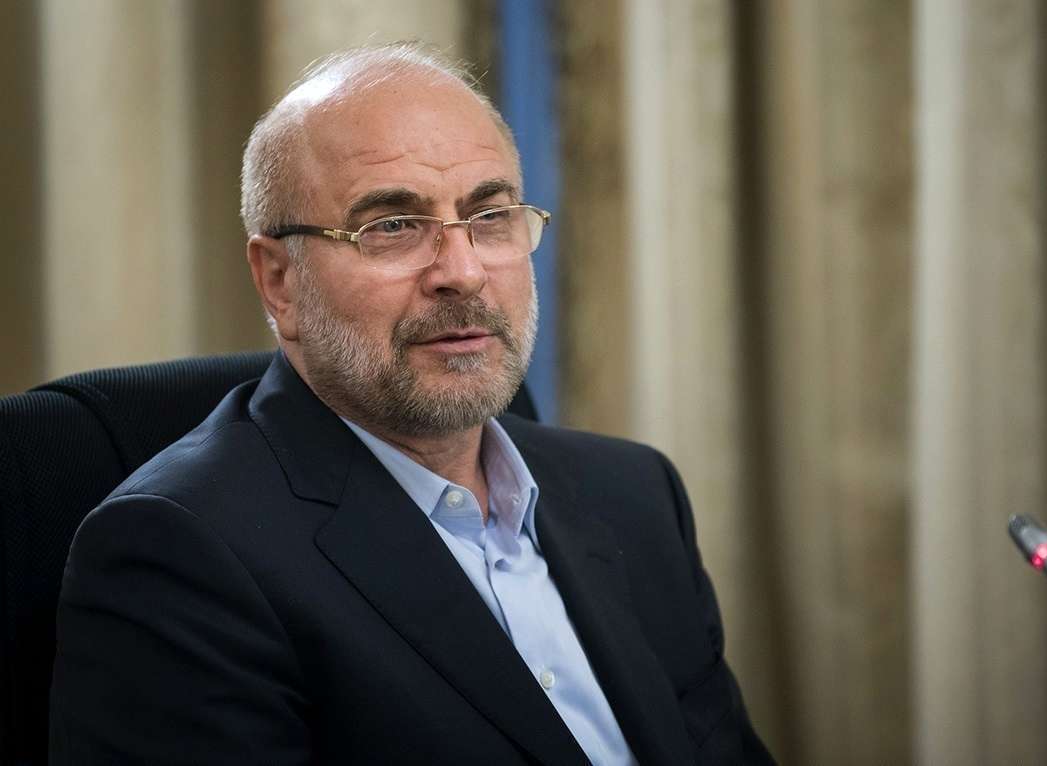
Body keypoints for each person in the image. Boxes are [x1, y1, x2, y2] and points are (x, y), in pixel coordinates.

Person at [48, 42, 772, 765]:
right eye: (392, 226)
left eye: (491, 216)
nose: (463, 272)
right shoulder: (180, 555)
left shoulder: (635, 495)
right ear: (279, 281)